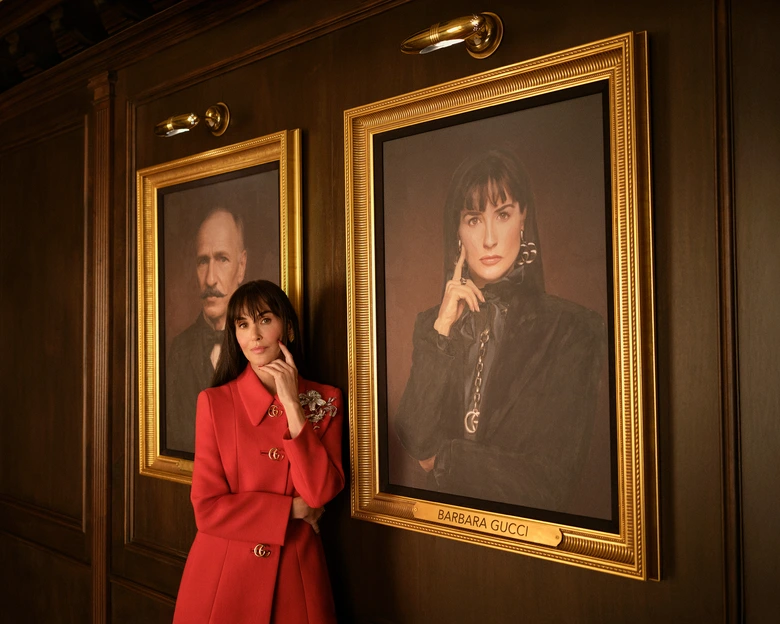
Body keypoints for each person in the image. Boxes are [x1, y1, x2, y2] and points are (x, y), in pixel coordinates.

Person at [394, 149, 606, 514]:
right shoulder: (433, 326)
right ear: (458, 231)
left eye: (503, 215)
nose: (489, 238)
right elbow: (415, 440)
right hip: (443, 531)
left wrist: (446, 460)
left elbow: (551, 483)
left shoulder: (574, 329)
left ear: (523, 219)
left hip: (525, 539)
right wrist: (442, 330)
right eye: (474, 219)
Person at [173, 280, 344, 623]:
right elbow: (207, 509)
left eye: (265, 320)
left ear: (288, 328)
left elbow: (319, 492)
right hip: (224, 579)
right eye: (243, 324)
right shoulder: (215, 403)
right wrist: (292, 510)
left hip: (295, 578)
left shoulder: (326, 401)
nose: (254, 334)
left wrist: (293, 406)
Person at [166, 208, 247, 453]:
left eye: (222, 259)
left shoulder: (259, 345)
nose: (210, 279)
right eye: (203, 261)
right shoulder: (179, 349)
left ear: (241, 266)